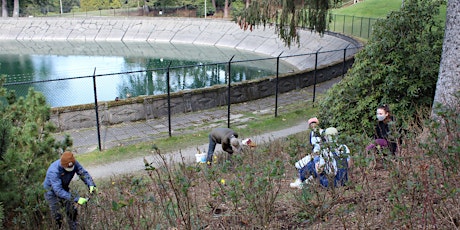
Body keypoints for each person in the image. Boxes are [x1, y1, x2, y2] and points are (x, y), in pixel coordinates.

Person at [43, 151, 97, 230]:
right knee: (57, 216)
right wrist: (76, 199)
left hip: (64, 188)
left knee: (71, 211)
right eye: (68, 168)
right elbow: (58, 191)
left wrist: (91, 184)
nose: (70, 170)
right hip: (51, 192)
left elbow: (83, 173)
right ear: (63, 165)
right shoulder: (54, 171)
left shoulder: (74, 163)